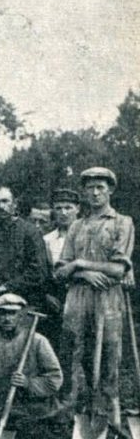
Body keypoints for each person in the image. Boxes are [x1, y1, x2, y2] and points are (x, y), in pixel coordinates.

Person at [55, 167, 134, 425]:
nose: (95, 192)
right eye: (90, 188)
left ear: (110, 190)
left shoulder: (122, 222)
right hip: (77, 299)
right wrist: (81, 271)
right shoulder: (77, 226)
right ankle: (74, 412)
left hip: (108, 298)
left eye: (100, 187)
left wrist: (81, 264)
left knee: (109, 354)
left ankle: (110, 415)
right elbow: (61, 271)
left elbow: (118, 269)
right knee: (74, 352)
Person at [0, 293, 63, 432]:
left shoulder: (37, 341)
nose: (7, 319)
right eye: (2, 314)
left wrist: (28, 383)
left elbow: (55, 378)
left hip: (37, 413)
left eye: (12, 313)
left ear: (21, 316)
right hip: (3, 413)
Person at [0, 186, 50, 306]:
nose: (1, 207)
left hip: (24, 298)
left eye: (5, 201)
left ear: (15, 204)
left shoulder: (30, 232)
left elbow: (38, 272)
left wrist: (7, 287)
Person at [44, 189, 80, 265]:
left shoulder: (87, 235)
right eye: (58, 208)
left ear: (78, 209)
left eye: (68, 208)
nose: (63, 213)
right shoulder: (47, 240)